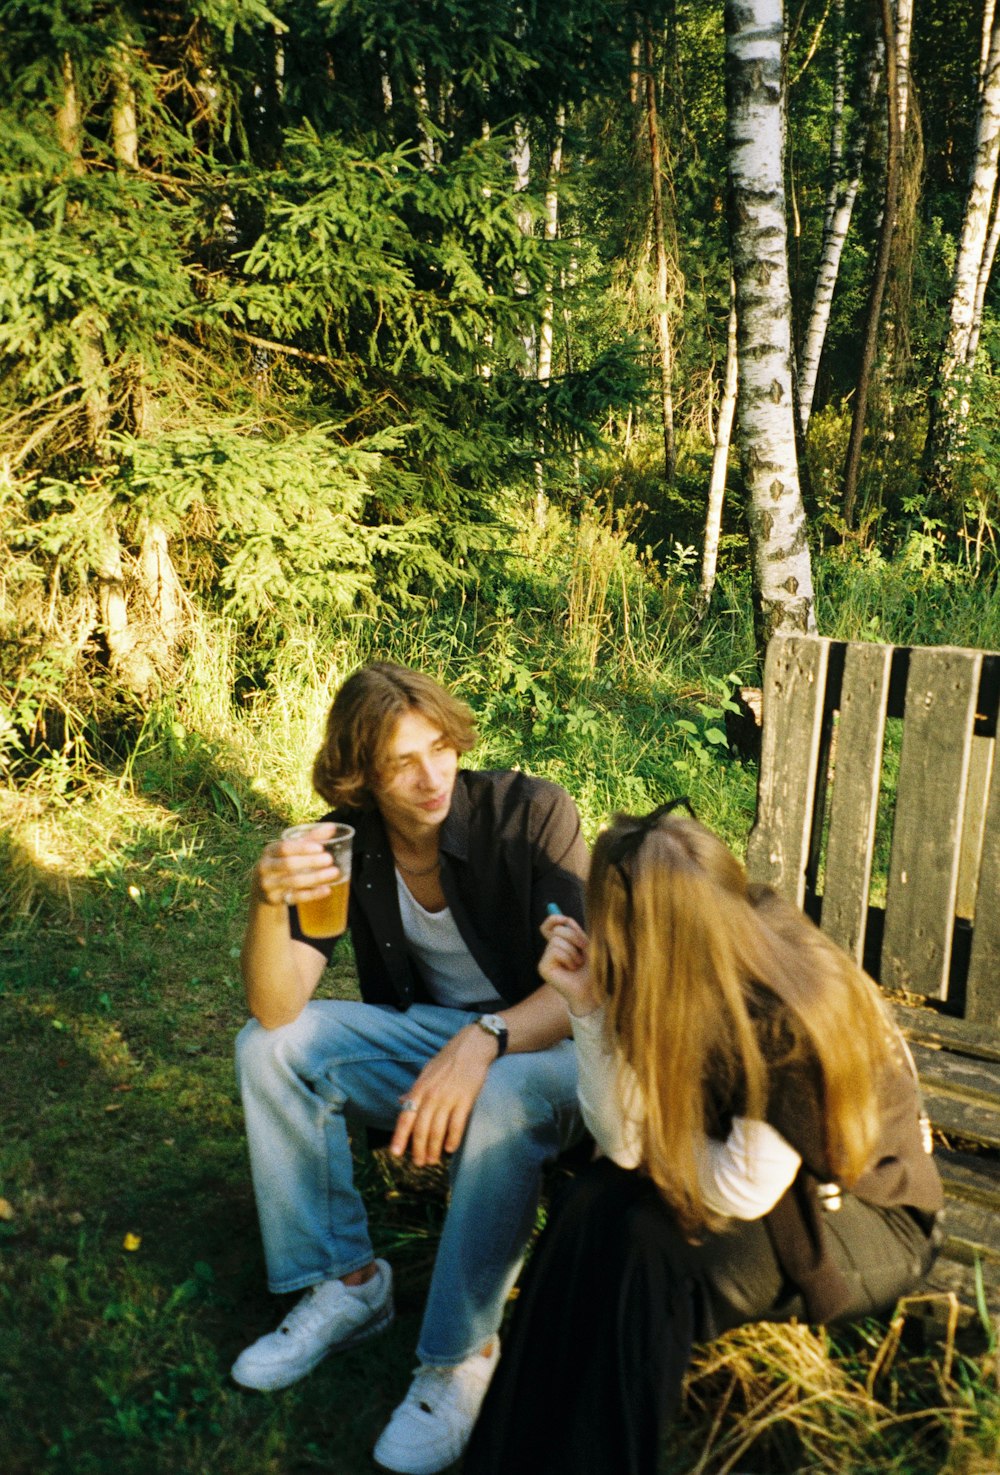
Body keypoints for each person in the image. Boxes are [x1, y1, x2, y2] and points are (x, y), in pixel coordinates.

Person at [464, 802, 943, 1475]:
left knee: (650, 1254)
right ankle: (508, 1455)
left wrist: (651, 1133)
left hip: (863, 1215)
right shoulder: (689, 963)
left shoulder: (787, 1019)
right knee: (589, 1204)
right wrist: (587, 1007)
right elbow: (625, 1148)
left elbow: (739, 1189)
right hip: (762, 1170)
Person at [231, 662, 588, 1475]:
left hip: (560, 1047)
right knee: (268, 1048)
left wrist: (488, 1036)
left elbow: (587, 989)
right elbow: (276, 1007)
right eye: (402, 762)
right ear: (362, 775)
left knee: (497, 1086)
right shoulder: (345, 843)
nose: (432, 777)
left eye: (440, 749)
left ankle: (460, 1355)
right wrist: (265, 899)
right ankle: (348, 1282)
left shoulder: (531, 813)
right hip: (444, 1040)